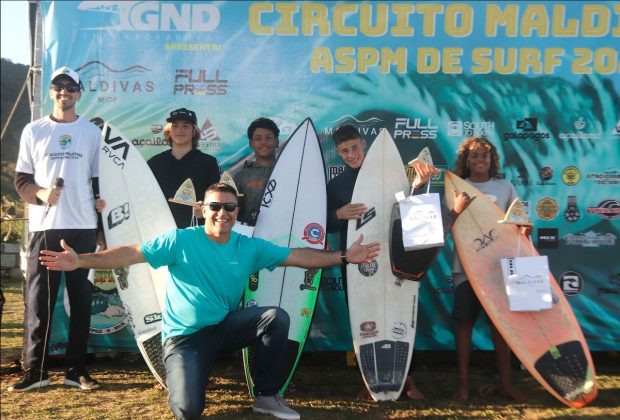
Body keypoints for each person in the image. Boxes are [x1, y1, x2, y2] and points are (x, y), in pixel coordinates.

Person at [39, 182, 380, 420]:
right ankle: (187, 378)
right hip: (185, 339)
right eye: (215, 206)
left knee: (276, 317)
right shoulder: (180, 240)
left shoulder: (249, 247)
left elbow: (298, 256)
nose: (222, 213)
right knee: (188, 410)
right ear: (203, 209)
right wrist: (81, 260)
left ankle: (265, 396)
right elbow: (130, 253)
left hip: (224, 329)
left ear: (236, 210)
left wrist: (344, 257)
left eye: (229, 207)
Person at [9, 66, 104, 392]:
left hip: (82, 228)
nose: (64, 92)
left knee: (81, 302)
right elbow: (21, 180)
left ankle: (75, 369)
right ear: (51, 92)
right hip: (45, 228)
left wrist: (102, 213)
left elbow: (98, 181)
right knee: (40, 304)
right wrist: (40, 194)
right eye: (58, 87)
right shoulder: (33, 130)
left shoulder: (92, 133)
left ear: (79, 93)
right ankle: (36, 371)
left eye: (71, 87)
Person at [326, 124, 433, 401]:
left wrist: (418, 187)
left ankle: (408, 379)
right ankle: (367, 378)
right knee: (363, 316)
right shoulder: (337, 185)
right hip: (358, 264)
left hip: (396, 257)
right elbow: (321, 223)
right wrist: (338, 213)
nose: (351, 155)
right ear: (338, 153)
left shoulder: (395, 176)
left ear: (364, 144)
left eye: (355, 148)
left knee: (402, 315)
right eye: (344, 151)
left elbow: (415, 210)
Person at [450, 136, 530, 402]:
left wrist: (525, 228)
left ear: (492, 159)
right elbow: (445, 226)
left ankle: (507, 385)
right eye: (474, 155)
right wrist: (456, 211)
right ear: (466, 159)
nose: (480, 159)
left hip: (499, 267)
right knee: (464, 325)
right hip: (465, 268)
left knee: (501, 328)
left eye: (484, 155)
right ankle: (463, 386)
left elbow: (520, 222)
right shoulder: (456, 187)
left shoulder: (505, 186)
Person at [147, 108, 220, 228]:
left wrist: (204, 209)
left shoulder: (209, 163)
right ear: (169, 131)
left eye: (185, 126)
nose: (180, 130)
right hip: (159, 230)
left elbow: (217, 200)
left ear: (194, 131)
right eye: (175, 126)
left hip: (195, 233)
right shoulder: (154, 163)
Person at [233, 117, 280, 226]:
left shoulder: (289, 171)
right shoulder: (241, 176)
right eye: (258, 138)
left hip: (282, 234)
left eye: (268, 137)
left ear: (277, 142)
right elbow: (234, 210)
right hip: (250, 235)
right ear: (251, 143)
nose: (263, 142)